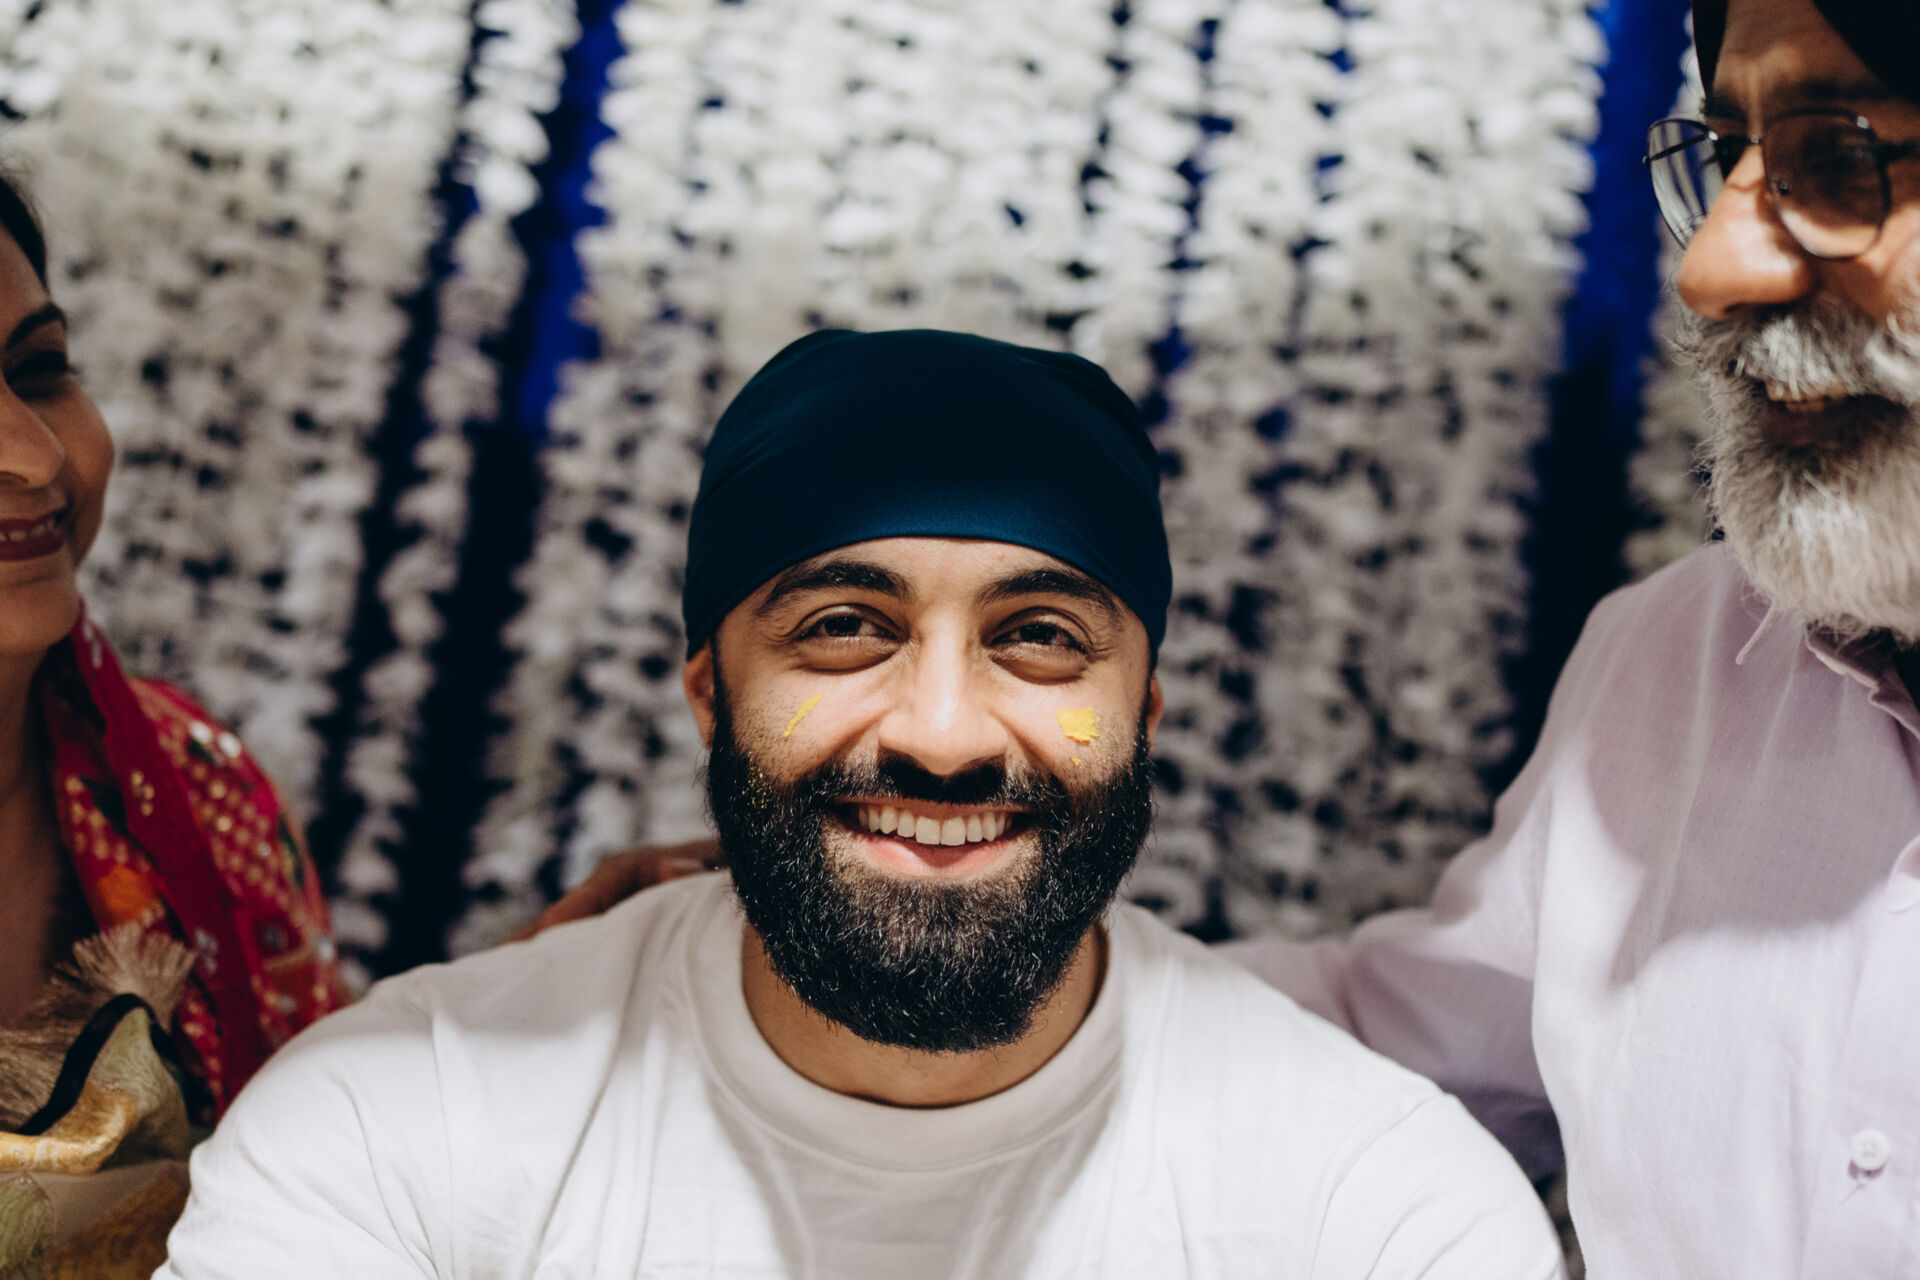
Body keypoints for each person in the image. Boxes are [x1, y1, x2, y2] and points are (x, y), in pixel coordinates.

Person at [160, 329, 1564, 1279]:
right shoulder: (395, 1121)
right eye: (844, 627)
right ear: (709, 691)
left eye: (1039, 637)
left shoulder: (1377, 1210)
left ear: (1148, 709)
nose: (942, 735)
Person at [0, 170, 348, 1275]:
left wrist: (553, 982)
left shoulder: (194, 787)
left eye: (37, 372)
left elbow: (331, 1170)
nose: (34, 454)